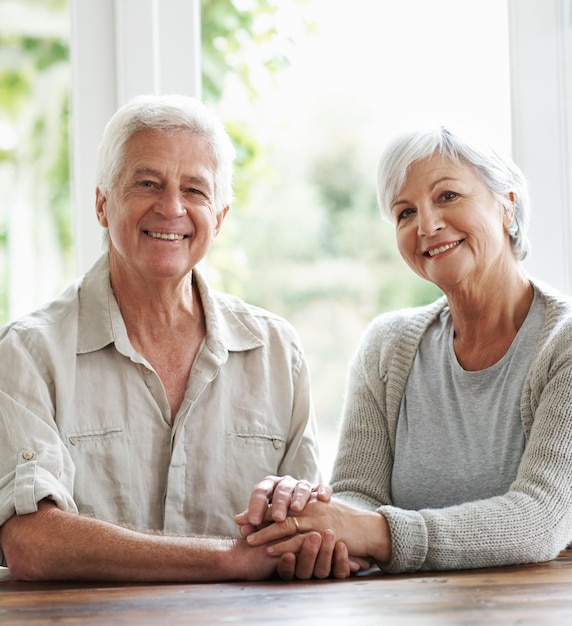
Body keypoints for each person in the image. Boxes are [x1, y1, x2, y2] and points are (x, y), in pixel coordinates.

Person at [0, 93, 346, 582]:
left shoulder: (275, 351)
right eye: (147, 183)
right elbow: (32, 543)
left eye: (195, 190)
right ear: (102, 204)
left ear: (219, 219)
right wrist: (230, 557)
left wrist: (311, 539)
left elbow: (307, 528)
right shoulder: (29, 353)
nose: (171, 207)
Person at [237, 124, 572, 574]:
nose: (427, 225)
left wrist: (375, 534)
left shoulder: (562, 341)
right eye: (404, 212)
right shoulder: (387, 345)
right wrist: (318, 527)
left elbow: (542, 519)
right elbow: (359, 494)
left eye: (447, 196)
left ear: (507, 204)